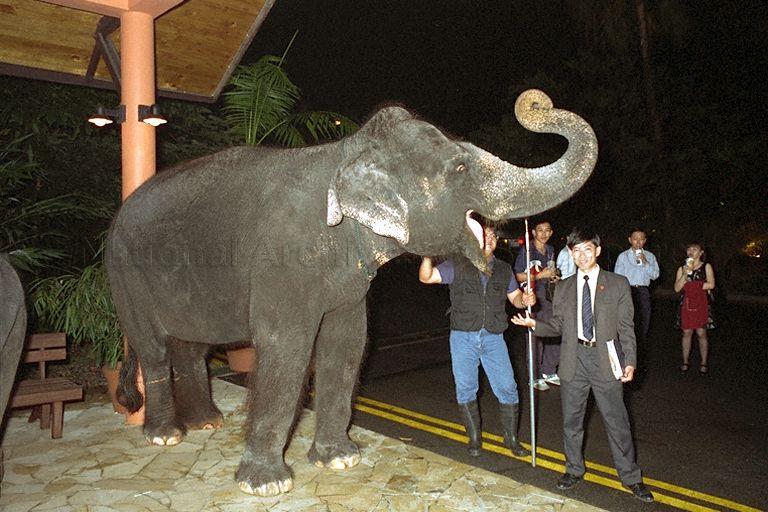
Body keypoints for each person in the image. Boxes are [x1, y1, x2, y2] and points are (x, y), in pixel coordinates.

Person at [511, 228, 654, 503]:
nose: (582, 255)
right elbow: (558, 326)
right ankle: (574, 470)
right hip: (573, 359)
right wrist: (534, 325)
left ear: (597, 251)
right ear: (571, 254)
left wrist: (631, 361)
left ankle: (631, 478)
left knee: (618, 422)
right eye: (576, 250)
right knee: (572, 422)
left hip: (606, 360)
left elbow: (627, 328)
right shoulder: (563, 287)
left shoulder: (618, 283)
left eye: (587, 249)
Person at [419, 224, 535, 458]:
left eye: (493, 236)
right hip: (463, 335)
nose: (489, 239)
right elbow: (427, 277)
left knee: (508, 388)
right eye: (484, 235)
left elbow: (516, 301)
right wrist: (427, 255)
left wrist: (526, 298)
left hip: (493, 336)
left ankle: (511, 439)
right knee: (466, 389)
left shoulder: (504, 269)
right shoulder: (458, 263)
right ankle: (474, 438)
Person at [514, 220, 560, 390]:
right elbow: (518, 276)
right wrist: (540, 276)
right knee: (535, 338)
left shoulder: (550, 250)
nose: (543, 234)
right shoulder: (527, 251)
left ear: (551, 232)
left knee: (554, 332)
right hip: (532, 297)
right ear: (533, 232)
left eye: (547, 230)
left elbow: (550, 273)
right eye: (540, 230)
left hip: (548, 297)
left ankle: (549, 370)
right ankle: (534, 376)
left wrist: (553, 277)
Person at [613, 228, 660, 362]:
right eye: (635, 239)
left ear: (645, 241)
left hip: (643, 291)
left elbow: (655, 275)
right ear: (630, 240)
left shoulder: (650, 256)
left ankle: (639, 353)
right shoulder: (623, 256)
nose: (638, 242)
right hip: (627, 291)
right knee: (626, 322)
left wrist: (645, 262)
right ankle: (623, 353)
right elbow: (617, 276)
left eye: (641, 239)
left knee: (643, 322)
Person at [674, 242, 715, 374]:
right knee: (686, 332)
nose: (691, 251)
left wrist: (692, 286)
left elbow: (711, 284)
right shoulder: (682, 268)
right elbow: (677, 288)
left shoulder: (706, 266)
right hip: (686, 304)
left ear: (701, 252)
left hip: (701, 303)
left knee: (701, 333)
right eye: (689, 249)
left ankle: (704, 362)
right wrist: (685, 274)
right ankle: (685, 361)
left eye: (695, 249)